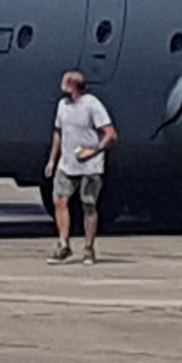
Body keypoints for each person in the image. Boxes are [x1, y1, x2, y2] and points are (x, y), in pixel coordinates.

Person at [46, 69, 116, 263]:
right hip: (67, 163)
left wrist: (94, 151)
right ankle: (63, 244)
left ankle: (88, 247)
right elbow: (58, 132)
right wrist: (53, 159)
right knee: (60, 200)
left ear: (73, 85)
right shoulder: (62, 105)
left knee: (89, 205)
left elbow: (111, 134)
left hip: (89, 165)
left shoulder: (92, 105)